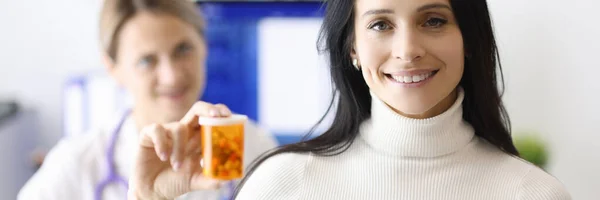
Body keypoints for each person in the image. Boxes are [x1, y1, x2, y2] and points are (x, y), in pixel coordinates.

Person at [128, 0, 572, 199]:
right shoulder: (282, 186)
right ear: (352, 49)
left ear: (469, 38)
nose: (407, 49)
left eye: (434, 20)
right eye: (380, 24)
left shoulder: (534, 194)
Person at [17, 0, 277, 199]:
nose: (172, 76)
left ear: (204, 46)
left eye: (183, 49)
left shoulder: (258, 150)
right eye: (146, 60)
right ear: (113, 69)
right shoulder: (74, 168)